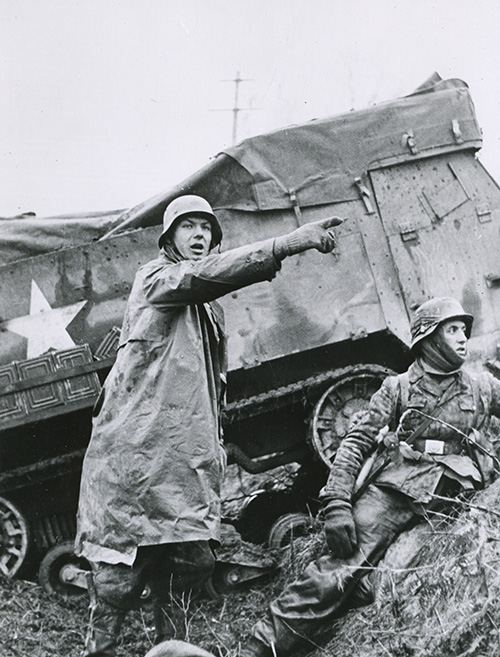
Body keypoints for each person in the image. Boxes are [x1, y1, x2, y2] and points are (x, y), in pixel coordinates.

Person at [74, 194, 343, 657]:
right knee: (118, 581)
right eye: (189, 227)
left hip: (182, 465)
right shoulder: (158, 278)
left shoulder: (206, 309)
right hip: (134, 465)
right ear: (169, 238)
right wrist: (285, 244)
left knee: (186, 570)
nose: (199, 236)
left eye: (207, 229)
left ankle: (173, 651)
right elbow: (200, 276)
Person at [243, 296, 500, 657]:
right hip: (395, 490)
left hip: (452, 495)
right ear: (428, 339)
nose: (462, 339)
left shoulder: (482, 387)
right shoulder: (397, 389)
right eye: (452, 330)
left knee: (393, 578)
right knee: (337, 571)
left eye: (463, 331)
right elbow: (354, 443)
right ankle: (260, 647)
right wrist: (336, 503)